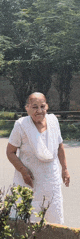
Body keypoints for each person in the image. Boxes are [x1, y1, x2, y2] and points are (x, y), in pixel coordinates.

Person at [6, 92, 70, 225]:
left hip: (51, 180)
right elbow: (10, 152)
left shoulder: (53, 121)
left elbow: (59, 147)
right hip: (28, 181)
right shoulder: (21, 125)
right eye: (35, 107)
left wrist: (65, 169)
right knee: (27, 219)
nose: (39, 111)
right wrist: (23, 171)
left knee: (54, 217)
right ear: (27, 108)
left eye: (42, 106)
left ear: (47, 107)